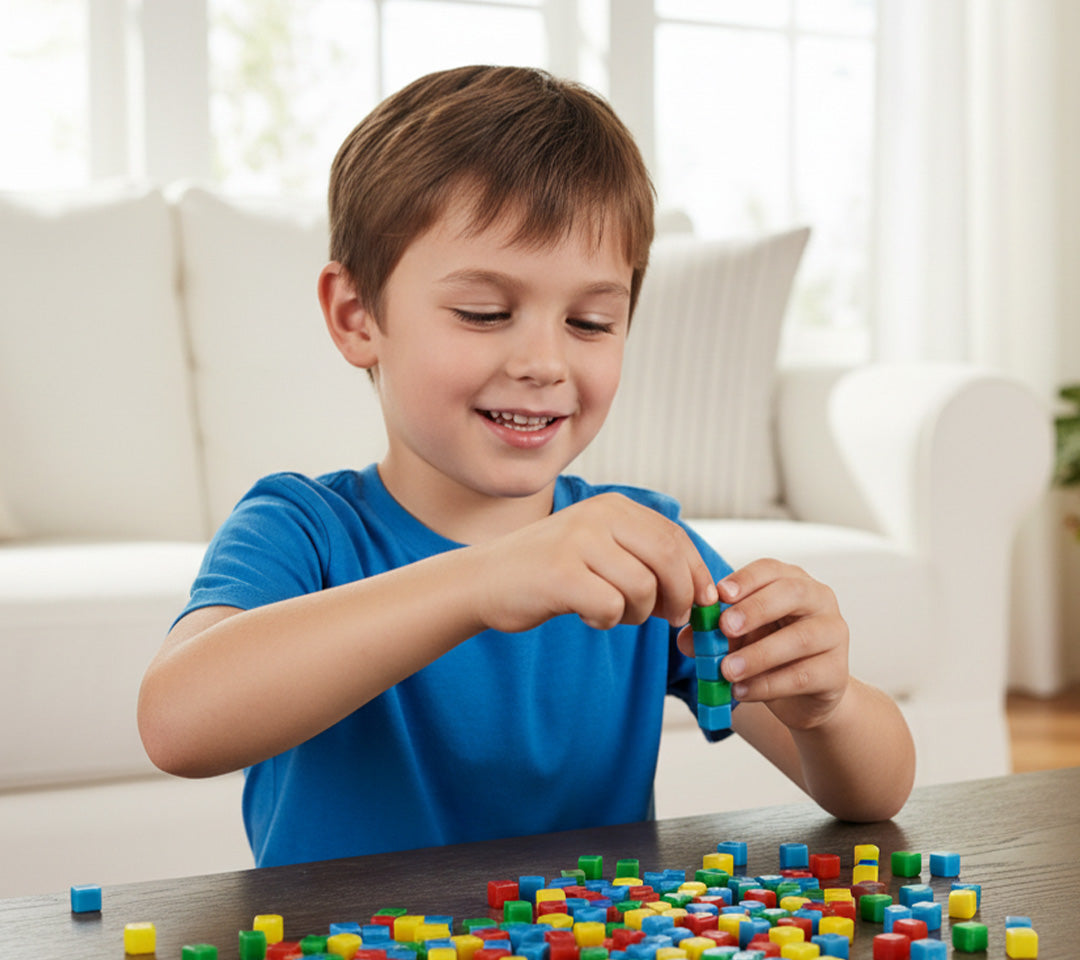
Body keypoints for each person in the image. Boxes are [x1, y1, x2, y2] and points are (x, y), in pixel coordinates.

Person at [138, 66, 915, 868]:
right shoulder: (303, 530)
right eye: (484, 313)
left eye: (590, 320)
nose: (544, 361)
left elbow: (875, 794)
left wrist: (828, 707)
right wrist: (484, 580)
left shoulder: (639, 547)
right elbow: (178, 724)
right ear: (357, 315)